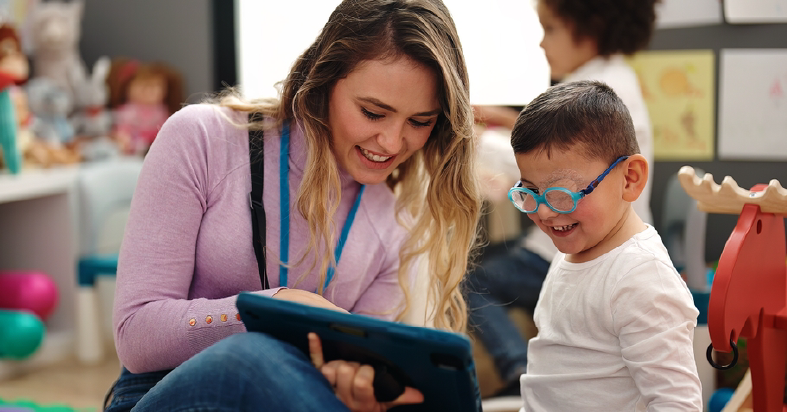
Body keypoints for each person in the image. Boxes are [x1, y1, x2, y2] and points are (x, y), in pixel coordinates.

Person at [104, 1, 482, 411]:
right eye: (373, 113)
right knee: (250, 359)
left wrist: (354, 386)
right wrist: (274, 308)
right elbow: (136, 335)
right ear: (324, 81)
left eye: (419, 122)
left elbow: (347, 373)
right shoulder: (201, 139)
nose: (391, 143)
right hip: (165, 392)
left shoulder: (394, 224)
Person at [466, 0, 659, 396]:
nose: (541, 43)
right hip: (580, 245)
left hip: (575, 247)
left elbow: (551, 170)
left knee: (473, 279)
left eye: (550, 29)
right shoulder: (611, 80)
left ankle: (516, 372)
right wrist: (502, 119)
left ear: (589, 27)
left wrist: (480, 138)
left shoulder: (600, 89)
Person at [509, 80, 701, 410]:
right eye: (529, 192)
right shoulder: (573, 250)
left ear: (630, 178)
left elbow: (677, 404)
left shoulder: (642, 279)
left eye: (562, 194)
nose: (543, 210)